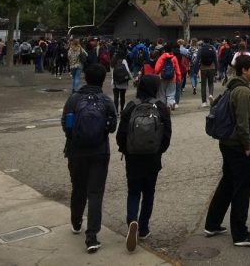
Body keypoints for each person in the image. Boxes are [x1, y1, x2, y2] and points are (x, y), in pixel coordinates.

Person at [204, 54, 250, 247]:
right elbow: (243, 123)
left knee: (228, 183)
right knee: (242, 187)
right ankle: (240, 233)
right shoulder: (243, 92)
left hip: (226, 141)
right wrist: (247, 146)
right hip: (238, 145)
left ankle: (212, 223)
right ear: (244, 70)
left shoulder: (231, 86)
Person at [60, 63, 118, 254]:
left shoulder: (74, 99)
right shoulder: (106, 101)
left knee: (78, 188)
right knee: (95, 193)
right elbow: (112, 127)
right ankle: (92, 236)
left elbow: (66, 126)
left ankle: (76, 221)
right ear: (103, 80)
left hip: (76, 151)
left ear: (84, 77)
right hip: (100, 151)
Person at [115, 74, 172, 253]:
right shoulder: (160, 107)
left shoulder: (131, 106)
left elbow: (120, 135)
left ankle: (133, 219)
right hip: (153, 157)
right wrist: (158, 150)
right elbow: (167, 135)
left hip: (133, 157)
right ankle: (144, 228)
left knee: (133, 191)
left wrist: (126, 149)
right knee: (149, 192)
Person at [153, 41, 181, 111]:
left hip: (162, 78)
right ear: (171, 50)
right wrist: (179, 79)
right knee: (171, 94)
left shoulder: (161, 58)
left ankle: (163, 109)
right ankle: (169, 105)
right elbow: (177, 70)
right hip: (172, 78)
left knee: (162, 94)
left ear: (164, 50)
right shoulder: (174, 58)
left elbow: (156, 69)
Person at [199, 40, 217, 107]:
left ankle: (204, 102)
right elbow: (215, 59)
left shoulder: (201, 49)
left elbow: (198, 59)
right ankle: (211, 95)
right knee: (211, 83)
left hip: (203, 68)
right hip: (211, 68)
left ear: (203, 42)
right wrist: (216, 69)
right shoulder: (212, 48)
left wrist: (195, 70)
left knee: (203, 85)